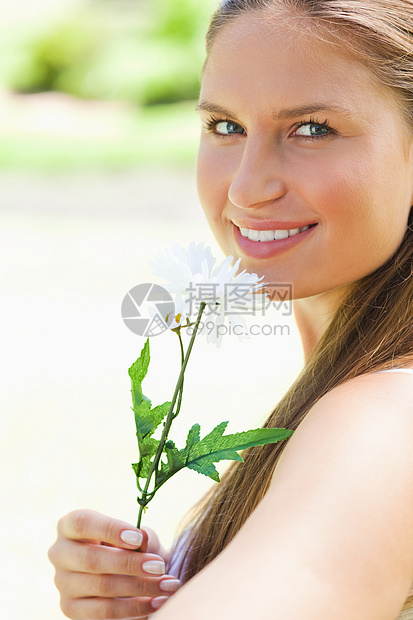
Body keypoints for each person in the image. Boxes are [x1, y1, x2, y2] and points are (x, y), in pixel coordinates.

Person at [48, 0, 413, 618]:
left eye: (313, 129)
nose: (246, 188)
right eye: (225, 127)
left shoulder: (385, 422)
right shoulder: (347, 394)